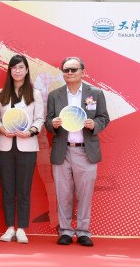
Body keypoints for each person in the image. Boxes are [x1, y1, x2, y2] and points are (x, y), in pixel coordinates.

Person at [45, 57, 110, 247]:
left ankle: (83, 232)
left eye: (74, 69)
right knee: (63, 193)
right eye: (66, 70)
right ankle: (65, 231)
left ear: (83, 71)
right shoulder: (54, 95)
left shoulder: (95, 94)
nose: (70, 73)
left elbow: (104, 118)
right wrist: (53, 124)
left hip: (85, 151)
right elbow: (48, 122)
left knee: (85, 194)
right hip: (62, 151)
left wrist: (94, 124)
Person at [0, 54, 44, 243]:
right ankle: (9, 228)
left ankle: (21, 228)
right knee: (7, 188)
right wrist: (2, 130)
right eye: (14, 67)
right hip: (5, 146)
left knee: (24, 189)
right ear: (10, 70)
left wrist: (31, 131)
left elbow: (39, 119)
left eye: (21, 67)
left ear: (26, 70)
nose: (17, 71)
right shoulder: (0, 93)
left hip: (27, 146)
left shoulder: (35, 93)